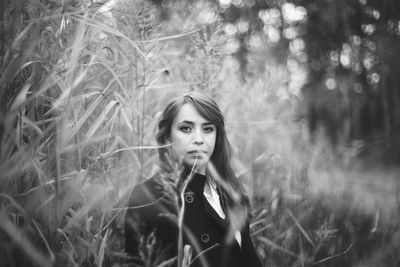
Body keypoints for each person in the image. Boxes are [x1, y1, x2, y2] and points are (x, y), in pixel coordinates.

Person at [125, 92, 262, 267]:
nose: (198, 139)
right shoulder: (148, 197)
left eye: (207, 129)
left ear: (217, 136)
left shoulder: (233, 197)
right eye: (186, 128)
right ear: (167, 136)